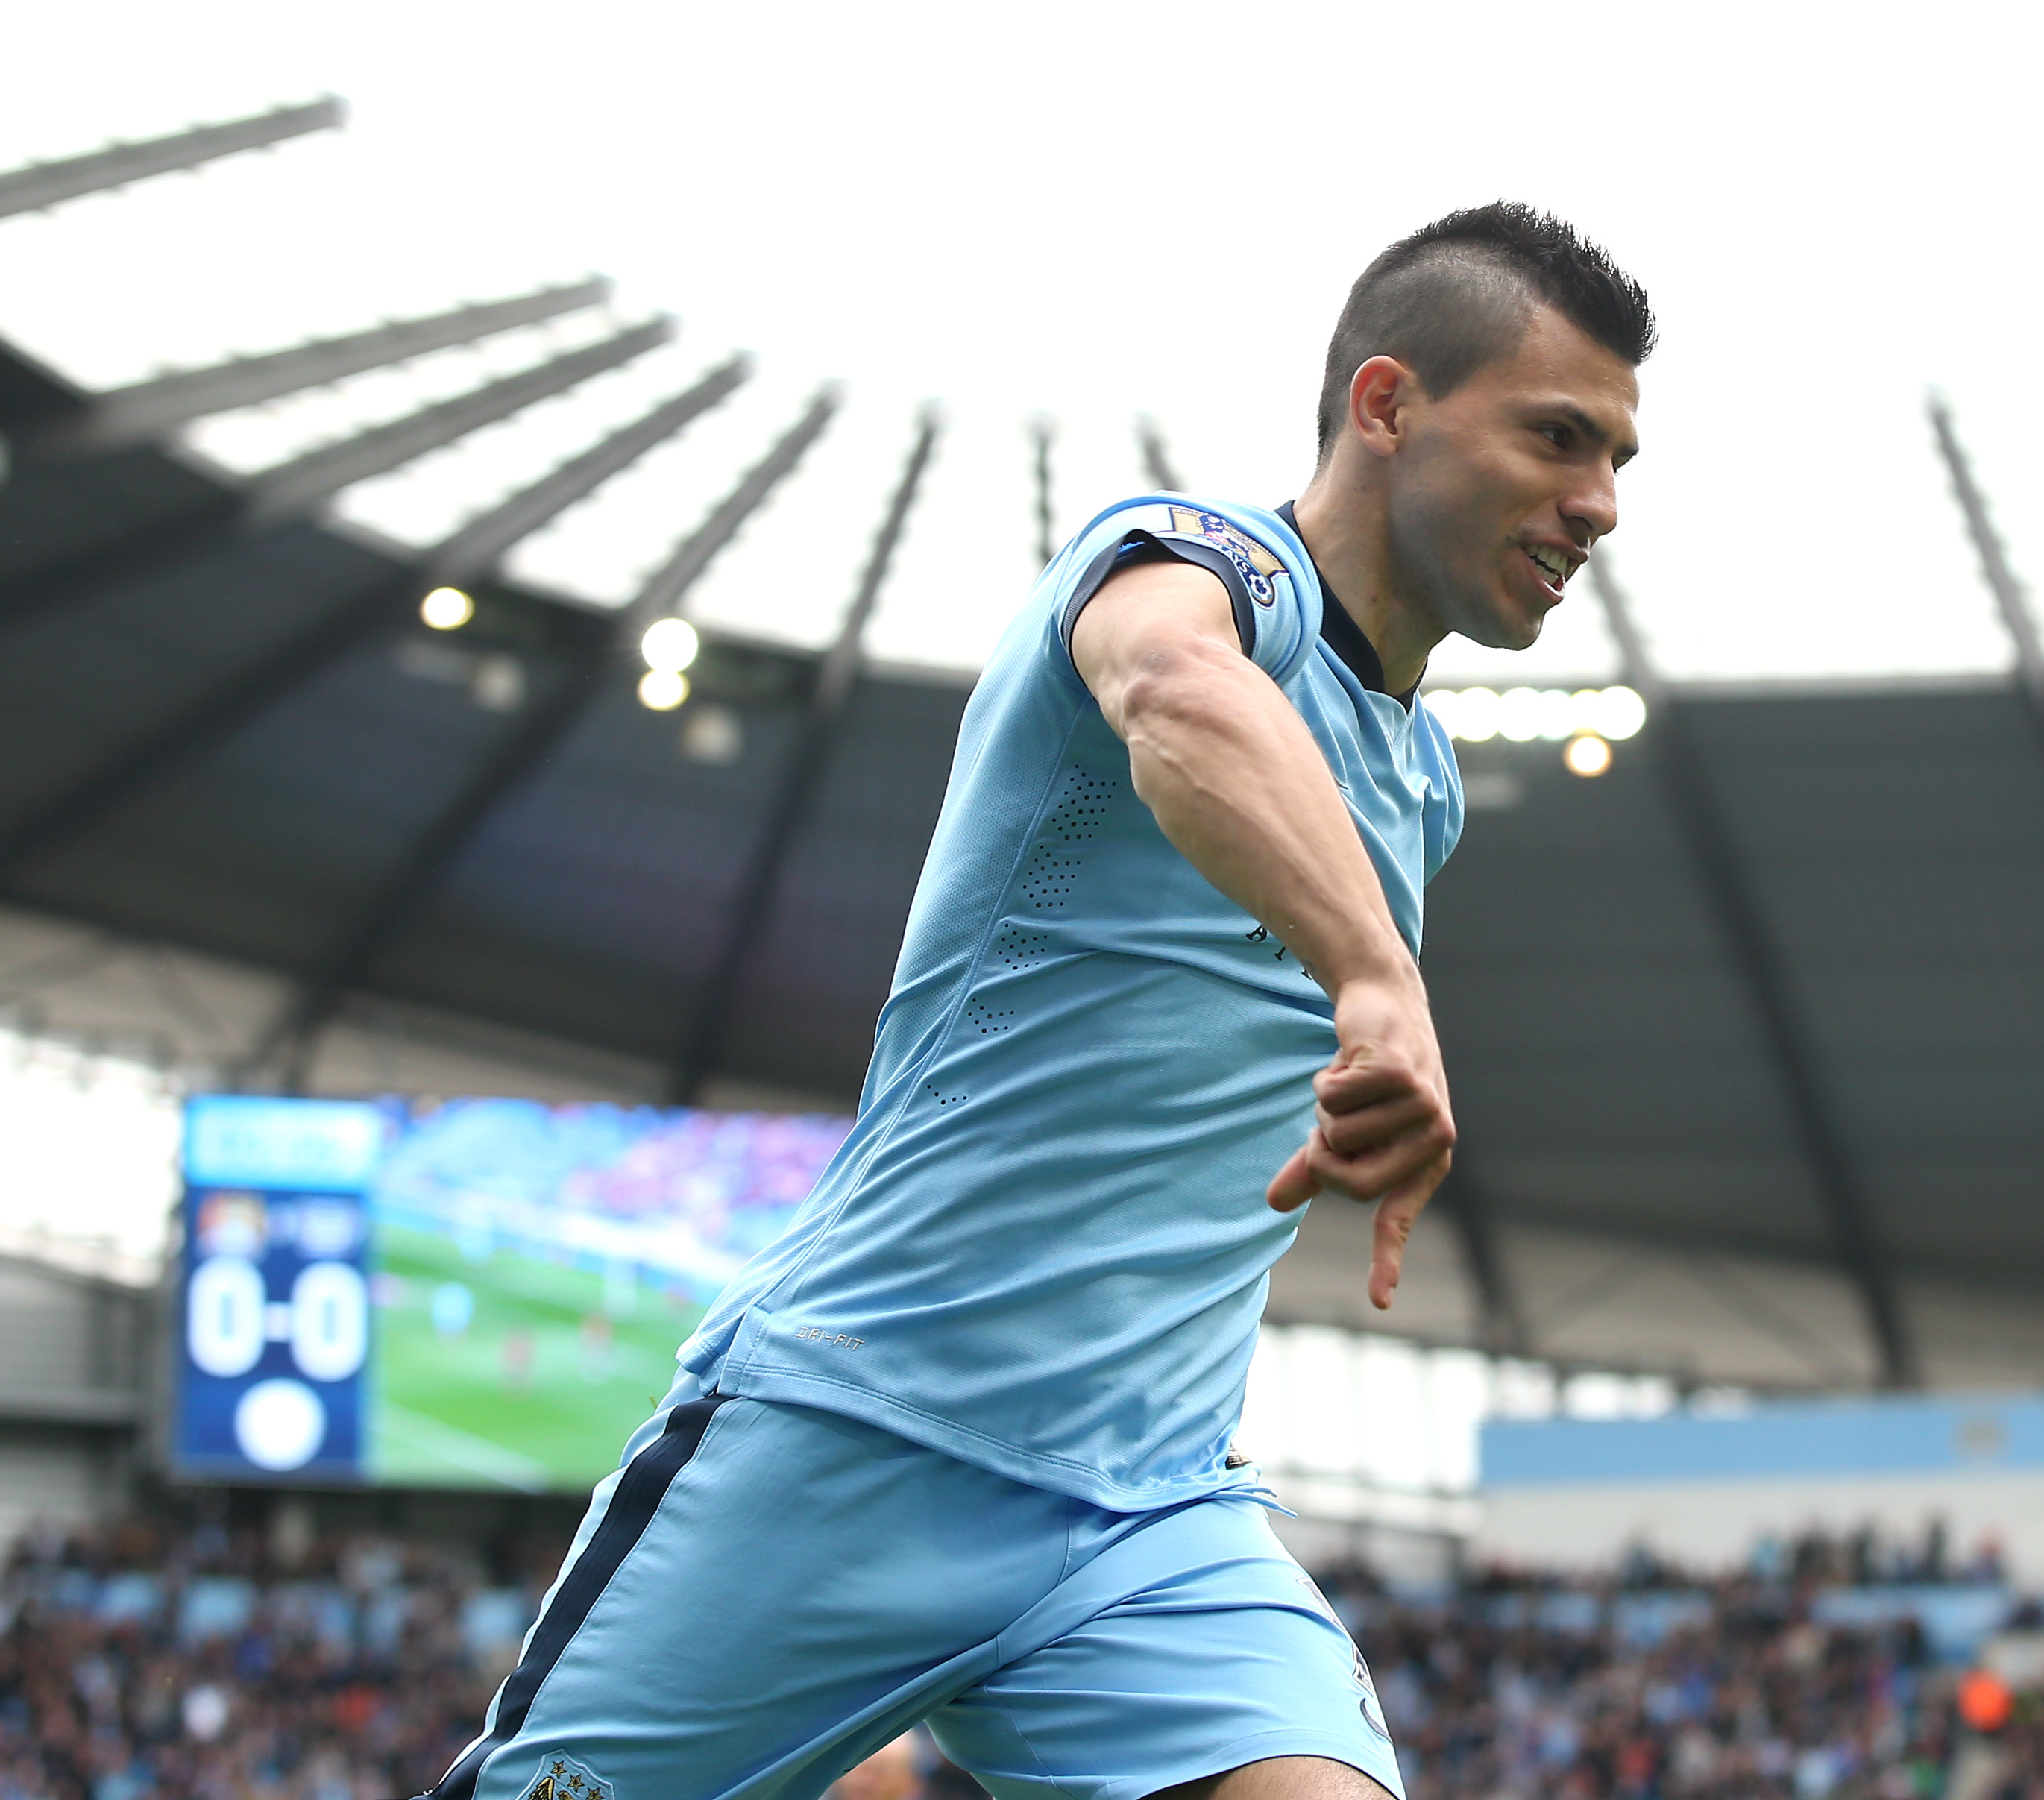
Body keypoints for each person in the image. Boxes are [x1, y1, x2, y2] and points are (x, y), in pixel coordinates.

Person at [422, 202, 1651, 1800]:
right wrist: (1375, 979)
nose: (1600, 505)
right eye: (1559, 437)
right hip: (858, 1442)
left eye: (1619, 460)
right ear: (1386, 404)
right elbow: (1174, 693)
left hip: (1147, 1514)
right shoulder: (1196, 572)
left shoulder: (1419, 780)